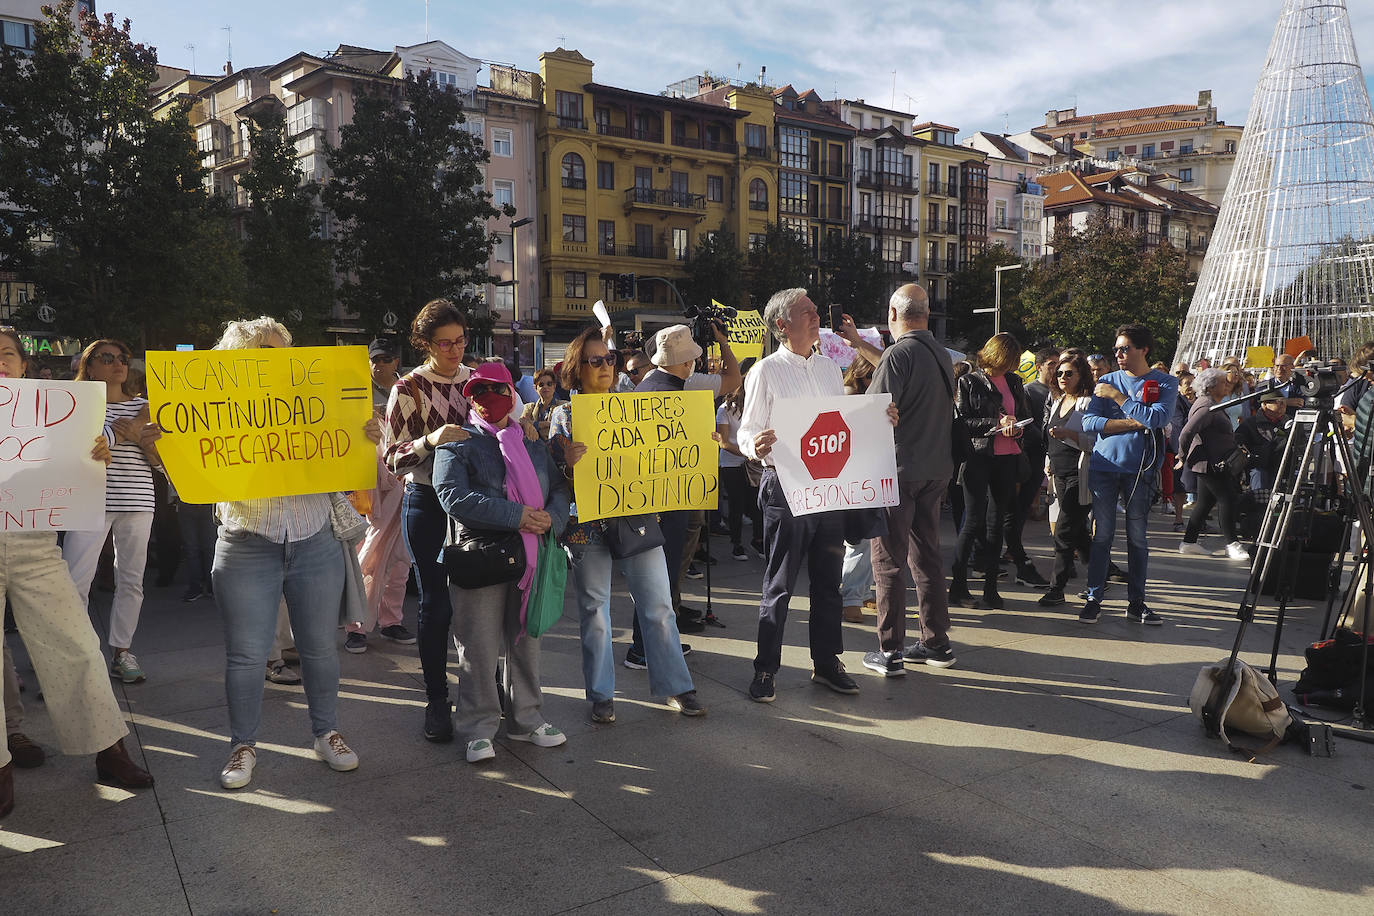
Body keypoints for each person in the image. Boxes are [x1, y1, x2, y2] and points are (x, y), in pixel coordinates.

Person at [213, 317, 378, 790]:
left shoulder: (318, 400)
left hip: (313, 539)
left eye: (284, 351)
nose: (279, 360)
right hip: (246, 540)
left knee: (320, 648)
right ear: (240, 358)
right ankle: (242, 746)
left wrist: (363, 436)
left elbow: (344, 458)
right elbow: (194, 471)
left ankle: (327, 733)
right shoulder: (222, 408)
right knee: (246, 656)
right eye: (266, 351)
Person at [0, 328, 154, 817]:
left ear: (24, 366)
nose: (0, 362)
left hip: (34, 542)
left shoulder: (56, 410)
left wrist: (94, 456)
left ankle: (109, 748)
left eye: (6, 353)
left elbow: (71, 465)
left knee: (78, 644)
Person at [737, 288, 895, 702]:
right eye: (807, 313)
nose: (816, 318)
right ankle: (765, 668)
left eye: (814, 312)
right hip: (785, 489)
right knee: (780, 584)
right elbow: (745, 429)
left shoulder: (828, 369)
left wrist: (879, 416)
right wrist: (758, 445)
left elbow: (840, 423)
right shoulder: (766, 372)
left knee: (829, 583)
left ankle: (826, 662)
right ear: (782, 325)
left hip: (827, 490)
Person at [549, 330, 704, 724]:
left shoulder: (634, 406)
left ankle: (676, 686)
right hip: (586, 525)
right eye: (595, 360)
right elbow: (554, 479)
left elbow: (662, 457)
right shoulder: (564, 414)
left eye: (610, 358)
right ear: (576, 369)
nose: (605, 367)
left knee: (659, 605)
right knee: (594, 610)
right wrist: (566, 460)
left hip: (635, 518)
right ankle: (602, 694)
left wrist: (703, 444)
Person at [432, 361, 574, 762]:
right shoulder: (457, 441)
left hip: (533, 555)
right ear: (470, 399)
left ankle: (527, 719)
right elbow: (452, 497)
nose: (487, 398)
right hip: (480, 558)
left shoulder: (531, 441)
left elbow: (559, 488)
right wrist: (517, 515)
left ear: (512, 393)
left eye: (496, 389)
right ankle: (478, 727)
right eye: (478, 392)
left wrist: (553, 518)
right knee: (477, 647)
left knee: (528, 638)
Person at [383, 300, 476, 742]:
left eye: (460, 340)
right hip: (427, 501)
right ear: (424, 344)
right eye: (445, 343)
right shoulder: (409, 387)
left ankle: (482, 689)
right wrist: (431, 439)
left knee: (479, 600)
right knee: (435, 604)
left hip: (476, 502)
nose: (455, 350)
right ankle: (437, 699)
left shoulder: (477, 380)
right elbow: (392, 460)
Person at [862, 283, 956, 676]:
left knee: (888, 562)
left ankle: (890, 651)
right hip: (935, 468)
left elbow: (872, 411)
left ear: (893, 315)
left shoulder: (899, 354)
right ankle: (936, 641)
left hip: (898, 472)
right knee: (927, 556)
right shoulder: (941, 353)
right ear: (927, 314)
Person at [63, 339, 161, 684]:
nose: (118, 363)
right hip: (88, 502)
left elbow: (165, 466)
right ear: (89, 367)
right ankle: (76, 656)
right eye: (107, 358)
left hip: (137, 502)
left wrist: (140, 440)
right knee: (75, 581)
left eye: (123, 358)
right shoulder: (76, 407)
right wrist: (120, 435)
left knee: (132, 580)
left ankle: (122, 651)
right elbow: (75, 455)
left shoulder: (147, 407)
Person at [1079, 324, 1178, 624]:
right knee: (1102, 536)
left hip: (1141, 469)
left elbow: (1158, 418)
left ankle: (1136, 602)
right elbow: (1089, 423)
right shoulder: (1106, 380)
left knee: (1138, 538)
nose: (1119, 354)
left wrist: (1119, 400)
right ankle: (1094, 597)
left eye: (1125, 349)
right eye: (1117, 350)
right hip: (1105, 467)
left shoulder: (1165, 383)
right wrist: (1133, 423)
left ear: (1143, 350)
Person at [345, 338, 418, 654]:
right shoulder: (355, 391)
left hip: (404, 481)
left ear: (396, 361)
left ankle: (391, 620)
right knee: (368, 554)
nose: (378, 365)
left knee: (401, 559)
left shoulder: (410, 391)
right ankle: (356, 626)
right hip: (368, 487)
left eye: (385, 359)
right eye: (374, 359)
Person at [950, 332, 1033, 610]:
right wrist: (996, 423)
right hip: (979, 456)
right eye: (1010, 359)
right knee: (973, 522)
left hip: (1008, 457)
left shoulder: (1014, 381)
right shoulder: (969, 381)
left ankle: (991, 589)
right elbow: (962, 422)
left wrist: (1017, 425)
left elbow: (1022, 414)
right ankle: (958, 586)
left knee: (997, 523)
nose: (1012, 364)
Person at [1038, 353, 1096, 607]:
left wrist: (1069, 433)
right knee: (1079, 531)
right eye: (1060, 373)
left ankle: (1056, 588)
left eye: (1069, 373)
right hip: (1058, 473)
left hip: (1079, 474)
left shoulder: (1088, 403)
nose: (1063, 377)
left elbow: (1096, 442)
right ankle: (1100, 575)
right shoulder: (1057, 400)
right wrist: (1048, 463)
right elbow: (1049, 438)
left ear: (1081, 375)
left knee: (1063, 531)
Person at [1177, 368, 1251, 561]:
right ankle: (1232, 544)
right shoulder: (1206, 406)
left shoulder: (1211, 403)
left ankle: (1189, 542)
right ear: (1210, 387)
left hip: (1211, 462)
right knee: (1228, 499)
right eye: (1223, 382)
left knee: (1205, 502)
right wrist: (1182, 456)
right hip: (1210, 463)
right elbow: (1186, 432)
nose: (1227, 384)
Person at [839, 353, 878, 623]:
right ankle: (851, 597)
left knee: (867, 538)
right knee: (859, 540)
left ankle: (859, 592)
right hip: (853, 473)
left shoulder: (862, 394)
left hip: (866, 470)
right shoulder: (850, 395)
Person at [717, 374, 764, 562]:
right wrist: (748, 453)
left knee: (757, 504)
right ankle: (736, 544)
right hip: (731, 463)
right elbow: (723, 442)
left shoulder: (756, 408)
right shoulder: (725, 410)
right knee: (736, 505)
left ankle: (758, 539)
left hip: (753, 462)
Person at [1238, 389, 1290, 492]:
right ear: (1264, 405)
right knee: (1259, 478)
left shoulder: (1290, 422)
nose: (1282, 405)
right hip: (1259, 467)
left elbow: (1301, 443)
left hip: (1284, 467)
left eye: (1283, 402)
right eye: (1277, 402)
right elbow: (1239, 443)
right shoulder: (1250, 424)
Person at [519, 368, 565, 439]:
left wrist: (533, 424)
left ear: (554, 386)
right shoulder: (529, 408)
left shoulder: (562, 407)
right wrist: (542, 424)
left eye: (549, 384)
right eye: (541, 384)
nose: (545, 387)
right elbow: (522, 423)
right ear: (535, 388)